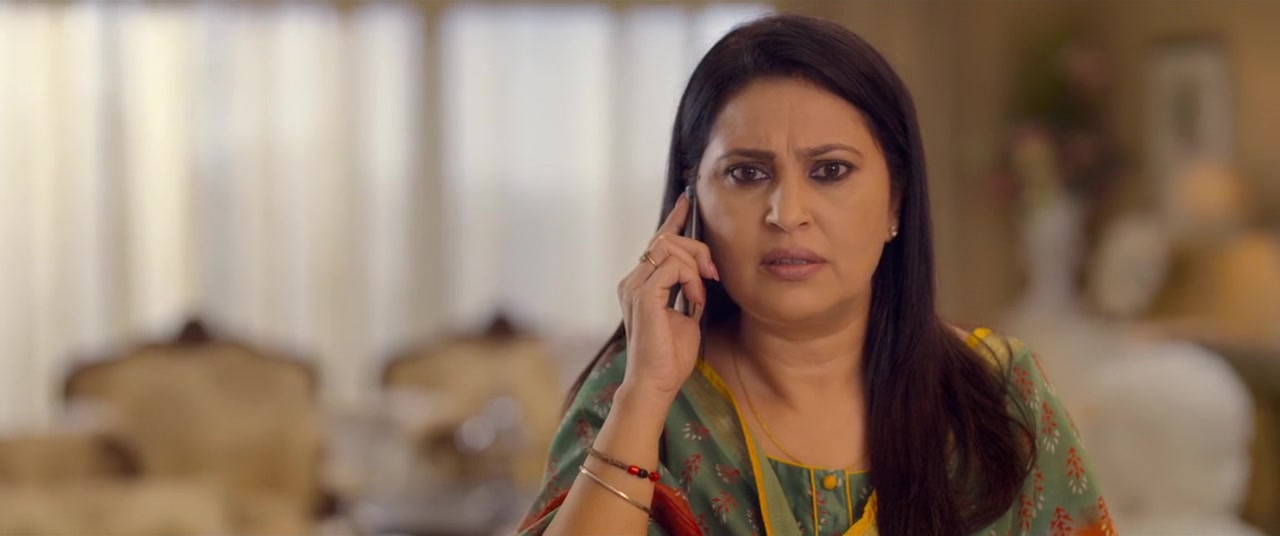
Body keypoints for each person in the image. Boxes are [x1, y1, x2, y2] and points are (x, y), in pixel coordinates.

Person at [518, 14, 1113, 536]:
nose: (787, 214)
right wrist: (645, 397)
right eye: (747, 174)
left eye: (830, 171)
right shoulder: (633, 392)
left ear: (896, 201)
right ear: (691, 203)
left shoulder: (997, 394)